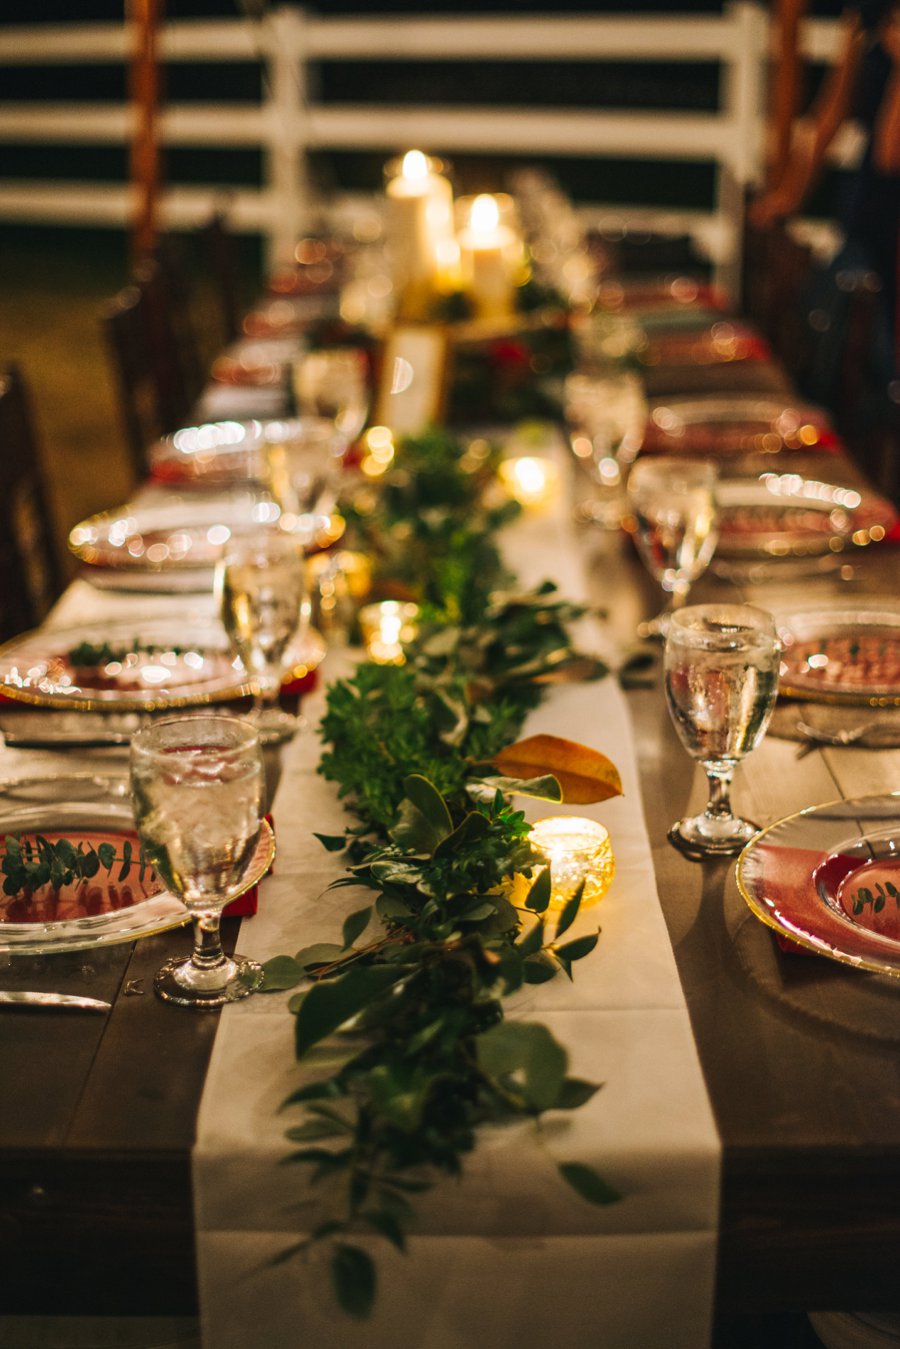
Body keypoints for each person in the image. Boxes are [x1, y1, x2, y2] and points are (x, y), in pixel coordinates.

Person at [752, 0, 900, 365]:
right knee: (829, 326)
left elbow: (889, 149)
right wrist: (788, 194)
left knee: (879, 351)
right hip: (868, 206)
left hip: (891, 201)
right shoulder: (866, 16)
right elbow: (830, 112)